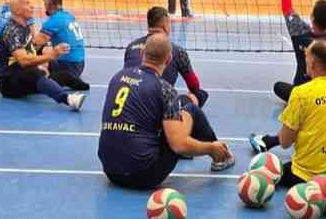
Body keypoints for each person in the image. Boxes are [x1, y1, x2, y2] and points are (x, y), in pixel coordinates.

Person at [98, 34, 234, 189]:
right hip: (143, 176)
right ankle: (220, 154)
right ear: (168, 60)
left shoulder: (117, 77)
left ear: (142, 54)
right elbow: (178, 145)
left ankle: (214, 150)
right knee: (191, 111)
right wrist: (209, 148)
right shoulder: (165, 89)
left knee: (171, 110)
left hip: (110, 171)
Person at [246, 39, 326, 188]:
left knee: (261, 172)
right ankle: (266, 141)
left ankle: (265, 143)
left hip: (310, 176)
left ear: (312, 63)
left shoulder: (301, 94)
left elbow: (285, 142)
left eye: (306, 56)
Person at [0, 0, 86, 111]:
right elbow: (23, 60)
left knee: (63, 76)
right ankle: (68, 99)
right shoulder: (11, 31)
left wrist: (42, 63)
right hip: (9, 83)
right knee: (35, 73)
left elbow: (31, 50)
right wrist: (51, 55)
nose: (32, 6)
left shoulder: (24, 26)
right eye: (27, 4)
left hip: (22, 75)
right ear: (17, 10)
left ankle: (82, 87)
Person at [124, 6, 208, 107]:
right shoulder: (177, 51)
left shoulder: (131, 47)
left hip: (129, 103)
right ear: (165, 25)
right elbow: (194, 85)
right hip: (159, 104)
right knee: (200, 95)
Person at [37, 0, 89, 91]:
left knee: (33, 69)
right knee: (44, 52)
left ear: (49, 4)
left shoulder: (53, 21)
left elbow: (35, 44)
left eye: (44, 2)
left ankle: (56, 78)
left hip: (68, 66)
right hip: (80, 64)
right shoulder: (68, 15)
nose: (44, 5)